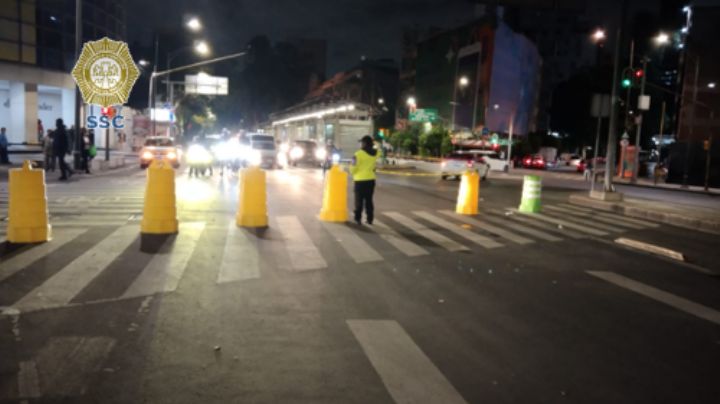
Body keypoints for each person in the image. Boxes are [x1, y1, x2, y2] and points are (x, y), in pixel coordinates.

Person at [349, 135, 378, 225]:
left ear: (365, 143)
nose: (361, 144)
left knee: (359, 200)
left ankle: (358, 218)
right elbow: (377, 147)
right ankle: (370, 219)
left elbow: (353, 168)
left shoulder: (358, 154)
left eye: (362, 142)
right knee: (369, 200)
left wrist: (352, 171)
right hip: (371, 180)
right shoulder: (376, 153)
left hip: (360, 180)